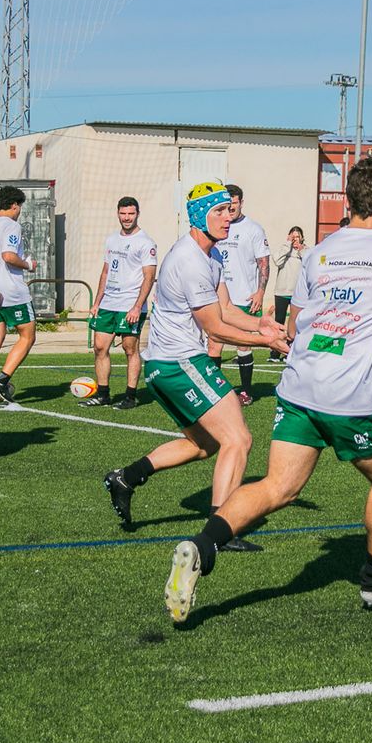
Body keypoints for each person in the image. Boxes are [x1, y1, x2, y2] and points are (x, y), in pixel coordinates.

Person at [161, 154, 372, 622]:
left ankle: (202, 546)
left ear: (348, 199)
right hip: (352, 394)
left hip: (300, 385)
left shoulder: (322, 252)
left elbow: (295, 320)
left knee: (277, 487)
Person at [102, 183, 286, 548]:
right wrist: (267, 341)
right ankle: (220, 529)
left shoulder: (212, 256)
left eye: (229, 210)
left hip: (168, 363)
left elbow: (229, 311)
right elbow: (215, 327)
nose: (228, 218)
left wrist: (263, 324)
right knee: (239, 438)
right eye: (219, 212)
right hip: (179, 361)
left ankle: (126, 478)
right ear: (200, 216)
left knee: (204, 444)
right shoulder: (189, 260)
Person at [84, 197, 157, 409]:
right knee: (99, 347)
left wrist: (137, 306)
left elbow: (149, 277)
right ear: (118, 213)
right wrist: (97, 301)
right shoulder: (111, 240)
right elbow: (106, 272)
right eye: (123, 214)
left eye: (131, 214)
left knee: (129, 348)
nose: (127, 218)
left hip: (129, 305)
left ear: (137, 214)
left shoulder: (145, 242)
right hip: (108, 303)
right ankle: (103, 394)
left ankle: (130, 396)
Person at [208, 183, 269, 405]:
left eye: (234, 203)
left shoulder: (253, 229)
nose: (230, 209)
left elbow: (264, 263)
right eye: (226, 204)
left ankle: (245, 391)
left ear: (241, 203)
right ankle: (215, 392)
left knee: (243, 345)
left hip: (244, 298)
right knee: (214, 344)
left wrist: (260, 292)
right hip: (217, 299)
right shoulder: (216, 227)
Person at [0, 186, 38, 405]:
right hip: (11, 292)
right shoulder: (12, 226)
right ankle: (1, 383)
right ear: (14, 206)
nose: (19, 211)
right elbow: (9, 256)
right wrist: (28, 264)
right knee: (28, 336)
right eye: (19, 207)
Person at [268, 226, 308, 362]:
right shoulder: (284, 249)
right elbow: (276, 261)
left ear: (302, 237)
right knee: (279, 322)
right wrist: (287, 246)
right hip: (282, 291)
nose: (295, 239)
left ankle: (290, 352)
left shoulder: (307, 251)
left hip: (297, 293)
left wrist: (301, 250)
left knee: (295, 323)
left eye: (297, 237)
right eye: (293, 236)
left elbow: (309, 264)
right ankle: (275, 353)